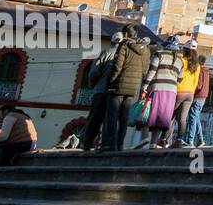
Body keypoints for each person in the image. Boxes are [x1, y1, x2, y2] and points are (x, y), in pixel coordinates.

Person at [104, 24, 150, 152]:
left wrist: (111, 80)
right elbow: (145, 70)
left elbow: (117, 66)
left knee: (112, 117)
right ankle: (119, 146)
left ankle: (110, 145)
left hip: (118, 86)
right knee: (124, 118)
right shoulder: (146, 50)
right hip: (133, 88)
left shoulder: (124, 46)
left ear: (125, 34)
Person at [78, 31, 123, 151]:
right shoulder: (124, 55)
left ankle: (87, 143)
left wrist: (93, 85)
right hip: (115, 93)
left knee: (94, 119)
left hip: (100, 91)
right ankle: (106, 144)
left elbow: (94, 72)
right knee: (110, 119)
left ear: (112, 41)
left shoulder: (105, 53)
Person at [142, 36, 183, 149]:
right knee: (163, 117)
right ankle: (154, 141)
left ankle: (150, 141)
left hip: (157, 88)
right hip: (171, 92)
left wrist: (145, 85)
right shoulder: (180, 61)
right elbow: (180, 78)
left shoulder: (159, 54)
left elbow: (151, 71)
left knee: (152, 114)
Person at [168, 43, 200, 148]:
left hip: (179, 91)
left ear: (185, 50)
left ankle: (163, 139)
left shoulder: (181, 61)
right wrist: (192, 92)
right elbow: (195, 82)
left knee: (170, 116)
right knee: (182, 118)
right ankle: (179, 140)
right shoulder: (197, 65)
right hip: (190, 94)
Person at [184, 54, 210, 148]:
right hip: (203, 97)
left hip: (198, 97)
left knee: (192, 118)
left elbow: (198, 85)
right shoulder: (207, 71)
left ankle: (190, 141)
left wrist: (191, 89)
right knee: (196, 118)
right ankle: (201, 140)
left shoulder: (200, 70)